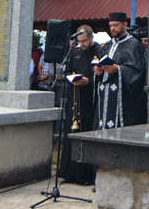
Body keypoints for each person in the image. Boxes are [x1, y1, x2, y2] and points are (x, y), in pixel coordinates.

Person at [59, 25, 100, 185]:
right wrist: (72, 77)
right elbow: (68, 71)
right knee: (71, 133)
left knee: (86, 133)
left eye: (84, 41)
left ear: (91, 38)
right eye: (79, 41)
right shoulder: (75, 52)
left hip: (89, 100)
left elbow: (101, 76)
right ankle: (70, 172)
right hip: (74, 98)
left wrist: (88, 81)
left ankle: (86, 175)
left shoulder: (99, 51)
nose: (82, 45)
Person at [94, 12, 147, 129]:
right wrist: (98, 72)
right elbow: (101, 66)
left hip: (124, 99)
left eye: (116, 25)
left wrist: (118, 69)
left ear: (125, 25)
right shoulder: (107, 46)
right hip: (106, 97)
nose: (112, 28)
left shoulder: (134, 45)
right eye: (111, 25)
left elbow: (138, 71)